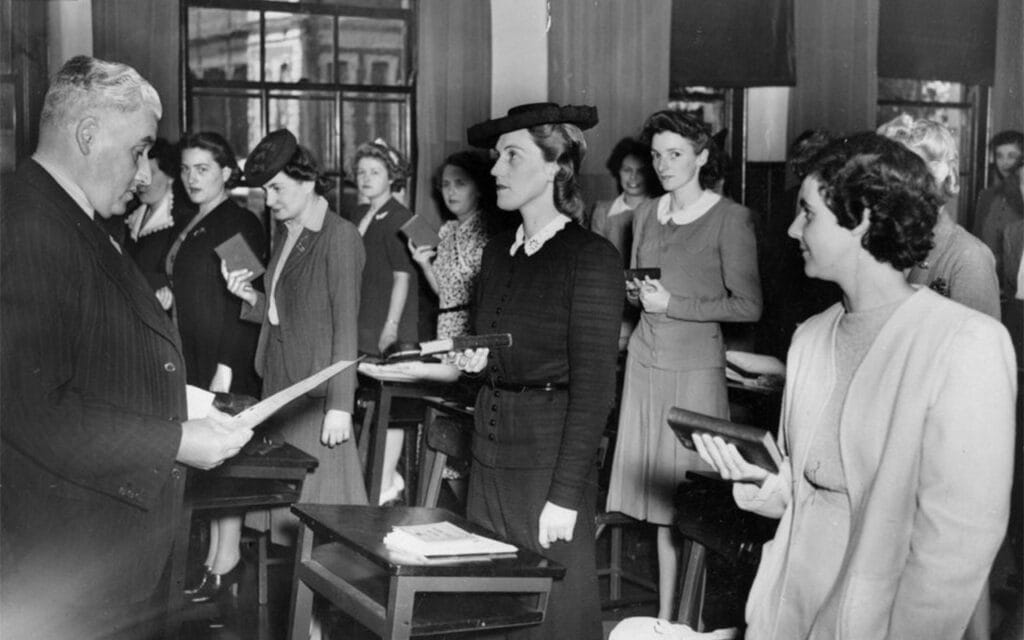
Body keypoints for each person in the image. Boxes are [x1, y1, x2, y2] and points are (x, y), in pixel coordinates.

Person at [692, 133, 1016, 639]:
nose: (794, 228)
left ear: (861, 217)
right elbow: (810, 497)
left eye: (809, 213)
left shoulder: (964, 343)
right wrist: (765, 484)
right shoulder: (812, 337)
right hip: (789, 612)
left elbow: (953, 552)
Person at [0, 55, 250, 640]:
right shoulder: (31, 223)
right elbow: (30, 406)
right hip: (65, 558)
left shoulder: (70, 216)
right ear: (87, 135)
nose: (145, 171)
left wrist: (181, 398)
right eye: (139, 150)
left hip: (91, 548)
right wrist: (177, 439)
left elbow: (85, 359)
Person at [449, 102, 623, 639]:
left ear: (555, 167)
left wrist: (566, 496)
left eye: (512, 156)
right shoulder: (498, 253)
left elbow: (595, 389)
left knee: (554, 617)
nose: (496, 169)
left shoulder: (590, 257)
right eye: (497, 156)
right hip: (489, 457)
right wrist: (472, 364)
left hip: (548, 470)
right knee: (492, 613)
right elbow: (495, 355)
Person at [604, 109, 762, 620]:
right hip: (646, 366)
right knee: (656, 509)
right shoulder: (645, 214)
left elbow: (747, 305)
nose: (664, 164)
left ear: (702, 155)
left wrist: (673, 304)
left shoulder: (729, 217)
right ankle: (666, 617)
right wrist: (637, 297)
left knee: (690, 509)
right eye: (657, 155)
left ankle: (686, 619)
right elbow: (639, 286)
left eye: (675, 154)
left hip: (693, 371)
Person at [222, 129, 368, 546]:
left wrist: (340, 405)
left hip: (316, 392)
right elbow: (283, 309)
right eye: (265, 192)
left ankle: (319, 609)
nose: (269, 201)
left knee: (322, 524)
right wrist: (251, 297)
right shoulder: (288, 231)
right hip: (282, 382)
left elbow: (346, 324)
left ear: (306, 179)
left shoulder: (338, 236)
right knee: (288, 524)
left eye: (276, 189)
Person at [170, 131, 265, 397]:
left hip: (220, 360)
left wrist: (227, 367)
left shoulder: (236, 223)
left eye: (202, 169)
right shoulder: (188, 220)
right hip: (188, 351)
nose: (191, 178)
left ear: (225, 173)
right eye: (186, 169)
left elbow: (246, 301)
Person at [878, 115, 1000, 319]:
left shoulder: (969, 257)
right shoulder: (887, 244)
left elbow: (979, 346)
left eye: (914, 176)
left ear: (940, 178)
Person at [353, 138, 419, 504]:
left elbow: (403, 276)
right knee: (370, 407)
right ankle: (379, 478)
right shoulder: (359, 215)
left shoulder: (399, 216)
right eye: (361, 172)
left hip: (389, 325)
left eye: (374, 172)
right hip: (365, 322)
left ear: (391, 176)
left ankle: (387, 482)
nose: (365, 178)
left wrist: (391, 327)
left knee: (390, 408)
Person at [409, 150, 500, 339]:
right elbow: (447, 295)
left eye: (460, 183)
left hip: (474, 332)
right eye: (445, 185)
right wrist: (425, 265)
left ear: (479, 188)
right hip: (445, 328)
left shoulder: (489, 231)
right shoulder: (447, 230)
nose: (451, 192)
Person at [123, 137, 195, 303]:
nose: (142, 180)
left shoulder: (181, 220)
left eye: (152, 172)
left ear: (170, 176)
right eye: (138, 171)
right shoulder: (131, 215)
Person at [588, 136, 660, 263]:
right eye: (627, 170)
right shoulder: (602, 211)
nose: (633, 177)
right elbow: (596, 259)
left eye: (641, 171)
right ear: (618, 171)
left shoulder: (660, 209)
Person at [973, 131, 1023, 250]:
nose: (1004, 162)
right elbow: (975, 240)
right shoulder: (986, 196)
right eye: (999, 156)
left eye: (1011, 156)